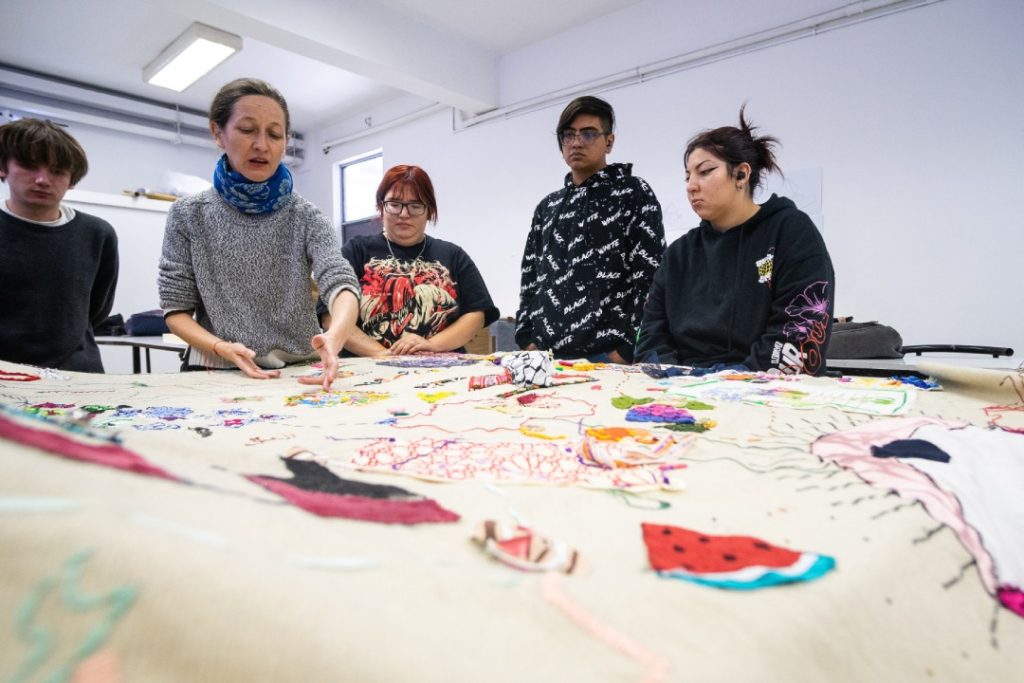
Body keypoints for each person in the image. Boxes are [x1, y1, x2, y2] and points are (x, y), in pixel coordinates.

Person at [158, 78, 359, 389]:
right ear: (218, 133)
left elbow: (340, 281)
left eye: (274, 134)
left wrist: (335, 336)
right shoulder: (188, 215)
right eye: (248, 130)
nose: (262, 145)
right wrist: (221, 348)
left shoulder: (306, 217)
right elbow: (175, 309)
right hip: (216, 371)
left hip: (298, 373)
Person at [635, 106, 835, 375]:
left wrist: (727, 384)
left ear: (741, 174)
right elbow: (651, 335)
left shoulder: (791, 232)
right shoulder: (678, 254)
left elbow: (798, 330)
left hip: (761, 394)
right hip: (681, 390)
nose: (691, 185)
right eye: (687, 175)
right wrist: (677, 381)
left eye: (705, 171)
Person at [516, 95, 665, 364]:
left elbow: (651, 277)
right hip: (545, 356)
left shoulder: (632, 192)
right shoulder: (548, 206)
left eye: (588, 134)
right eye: (568, 134)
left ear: (609, 141)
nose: (576, 142)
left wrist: (627, 349)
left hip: (608, 357)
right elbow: (530, 277)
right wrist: (526, 337)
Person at [327, 164, 499, 356]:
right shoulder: (356, 251)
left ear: (429, 211)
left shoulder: (453, 255)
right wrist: (380, 354)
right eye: (394, 204)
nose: (404, 214)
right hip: (367, 370)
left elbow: (477, 314)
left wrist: (431, 345)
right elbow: (329, 315)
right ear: (381, 206)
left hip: (440, 369)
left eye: (415, 206)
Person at [0, 118, 119, 372]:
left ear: (72, 180)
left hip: (78, 377)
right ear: (3, 167)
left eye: (57, 171)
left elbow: (95, 310)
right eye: (29, 166)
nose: (43, 179)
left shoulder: (97, 234)